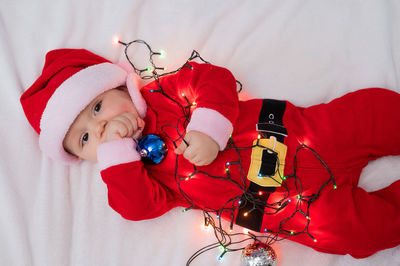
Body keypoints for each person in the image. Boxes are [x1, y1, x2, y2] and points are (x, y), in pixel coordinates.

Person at [20, 48, 400, 258]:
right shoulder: (132, 175)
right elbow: (136, 208)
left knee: (373, 115)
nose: (98, 128)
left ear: (119, 88)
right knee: (360, 231)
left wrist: (207, 128)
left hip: (296, 135)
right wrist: (118, 156)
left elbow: (210, 78)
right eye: (84, 139)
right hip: (288, 208)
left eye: (97, 108)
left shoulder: (164, 96)